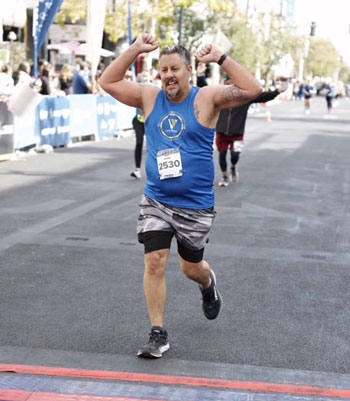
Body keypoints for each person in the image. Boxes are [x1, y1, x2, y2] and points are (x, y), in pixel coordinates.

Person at [99, 33, 261, 358]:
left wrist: (221, 58)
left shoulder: (207, 98)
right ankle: (158, 333)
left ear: (189, 70)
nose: (169, 75)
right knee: (155, 261)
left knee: (191, 267)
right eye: (163, 70)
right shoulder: (149, 97)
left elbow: (253, 90)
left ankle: (207, 283)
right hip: (156, 199)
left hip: (196, 206)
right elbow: (108, 81)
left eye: (175, 69)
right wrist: (135, 49)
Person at [216, 78, 287, 187]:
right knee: (222, 154)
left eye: (232, 85)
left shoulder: (244, 99)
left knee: (235, 155)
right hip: (221, 132)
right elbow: (203, 90)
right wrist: (201, 74)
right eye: (227, 85)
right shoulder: (220, 98)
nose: (229, 88)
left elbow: (263, 97)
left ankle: (233, 167)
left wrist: (277, 91)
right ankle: (224, 176)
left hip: (237, 133)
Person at [130, 70, 151, 179]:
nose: (145, 78)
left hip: (150, 121)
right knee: (139, 143)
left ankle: (151, 169)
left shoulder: (154, 89)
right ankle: (137, 169)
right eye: (143, 76)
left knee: (150, 146)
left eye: (147, 76)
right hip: (139, 120)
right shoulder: (137, 89)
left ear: (150, 78)